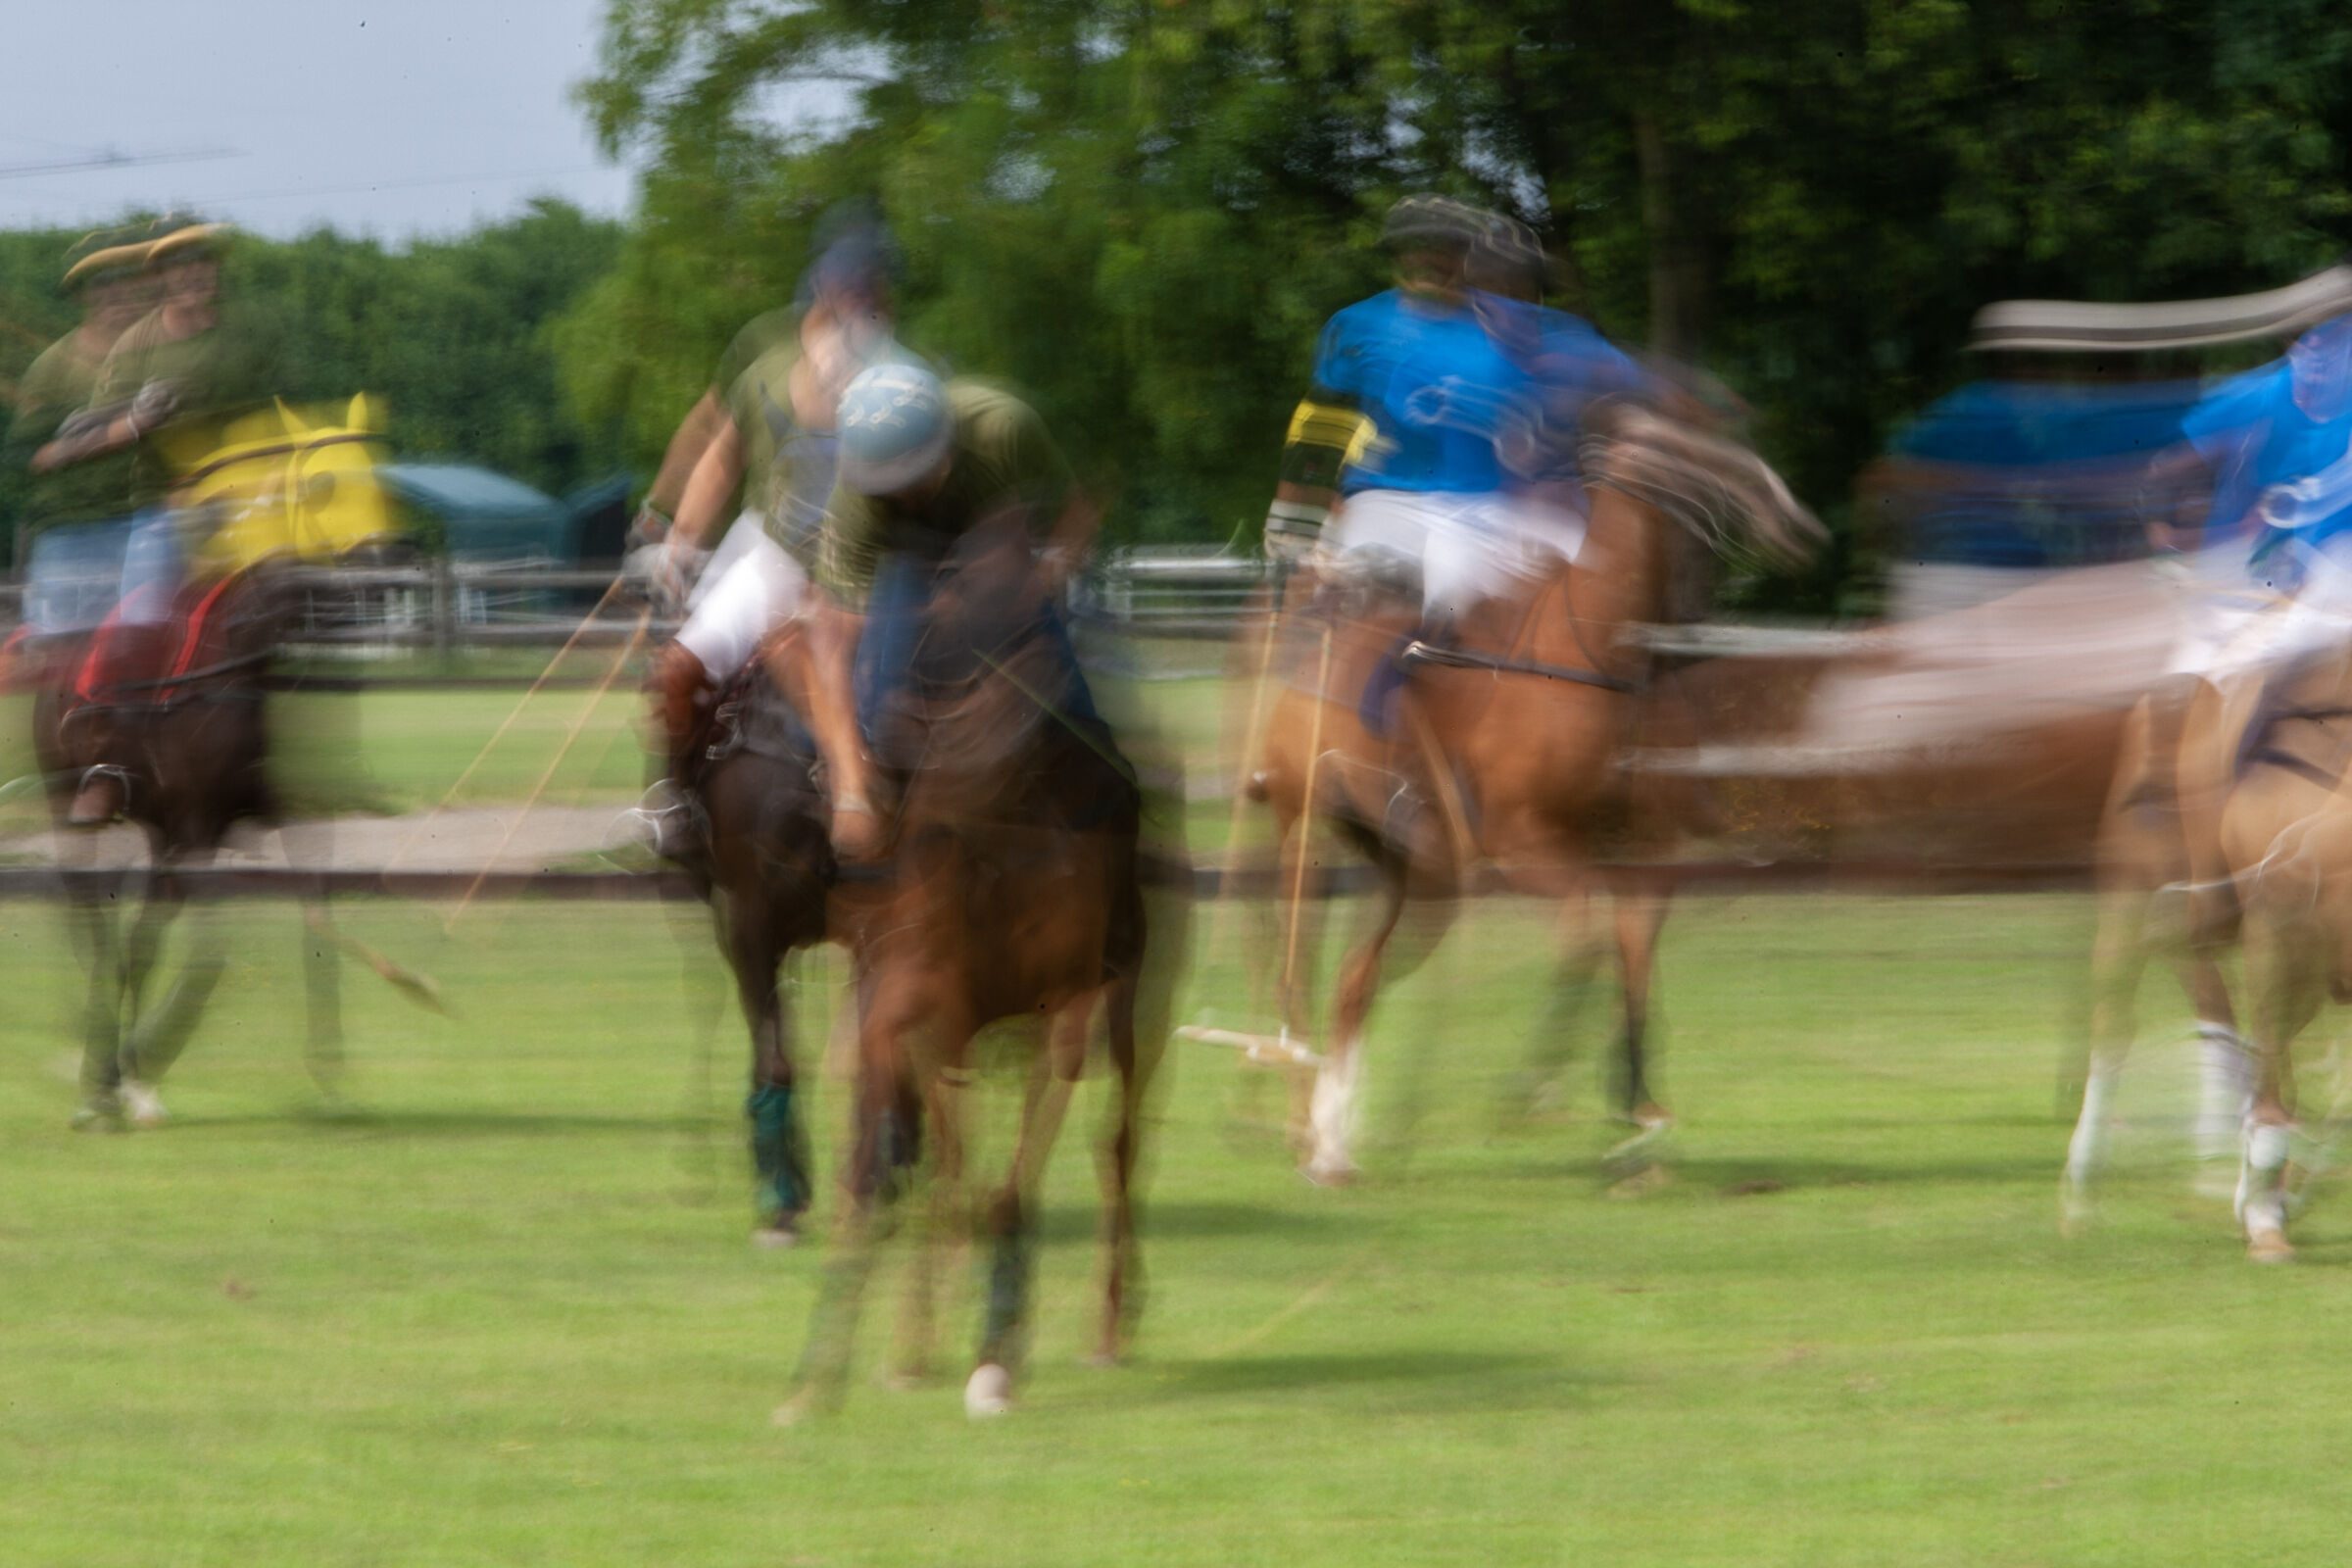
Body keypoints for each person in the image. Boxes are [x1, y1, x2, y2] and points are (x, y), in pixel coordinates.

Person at [636, 220, 907, 853]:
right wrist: (682, 540)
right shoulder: (767, 370)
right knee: (680, 670)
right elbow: (722, 458)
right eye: (844, 290)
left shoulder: (900, 376)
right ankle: (676, 801)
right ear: (819, 291)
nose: (856, 303)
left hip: (872, 560)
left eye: (868, 292)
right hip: (776, 552)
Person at [786, 363, 1098, 859]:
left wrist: (1046, 578)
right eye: (890, 483)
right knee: (877, 709)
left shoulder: (1004, 428)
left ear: (947, 443)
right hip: (902, 563)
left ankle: (1104, 794)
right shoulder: (857, 505)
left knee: (1070, 696)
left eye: (914, 474)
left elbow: (1078, 505)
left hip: (1000, 537)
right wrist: (852, 782)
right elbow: (838, 636)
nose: (904, 490)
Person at [45, 221, 290, 823]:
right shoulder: (137, 345)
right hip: (166, 509)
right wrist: (136, 416)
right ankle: (106, 767)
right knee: (140, 623)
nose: (195, 275)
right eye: (180, 268)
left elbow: (275, 410)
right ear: (160, 280)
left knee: (277, 614)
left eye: (204, 265)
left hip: (243, 505)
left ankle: (254, 771)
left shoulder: (246, 333)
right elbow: (90, 429)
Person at [1263, 193, 1544, 623]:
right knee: (1358, 601)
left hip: (1486, 506)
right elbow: (1320, 434)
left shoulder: (1511, 333)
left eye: (1446, 247)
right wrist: (1290, 528)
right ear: (1399, 253)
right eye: (1417, 245)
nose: (1430, 256)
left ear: (1466, 256)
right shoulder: (1356, 326)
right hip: (1386, 499)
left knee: (1478, 606)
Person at [4, 228, 158, 647]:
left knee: (150, 663)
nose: (119, 294)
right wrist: (115, 434)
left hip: (149, 528)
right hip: (73, 533)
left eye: (130, 282)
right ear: (83, 294)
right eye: (104, 283)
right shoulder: (53, 367)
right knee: (58, 663)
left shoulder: (162, 354)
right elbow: (25, 456)